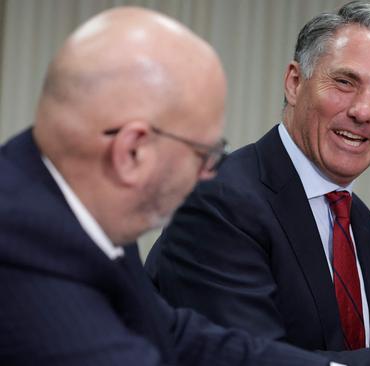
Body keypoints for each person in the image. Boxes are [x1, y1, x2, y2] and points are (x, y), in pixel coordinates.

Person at [145, 2, 370, 365]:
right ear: (295, 83)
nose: (364, 111)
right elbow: (243, 359)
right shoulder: (219, 199)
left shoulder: (359, 221)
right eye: (345, 83)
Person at [0, 6, 345, 366]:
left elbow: (173, 332)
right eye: (205, 153)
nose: (209, 173)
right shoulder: (20, 254)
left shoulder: (80, 210)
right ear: (132, 151)